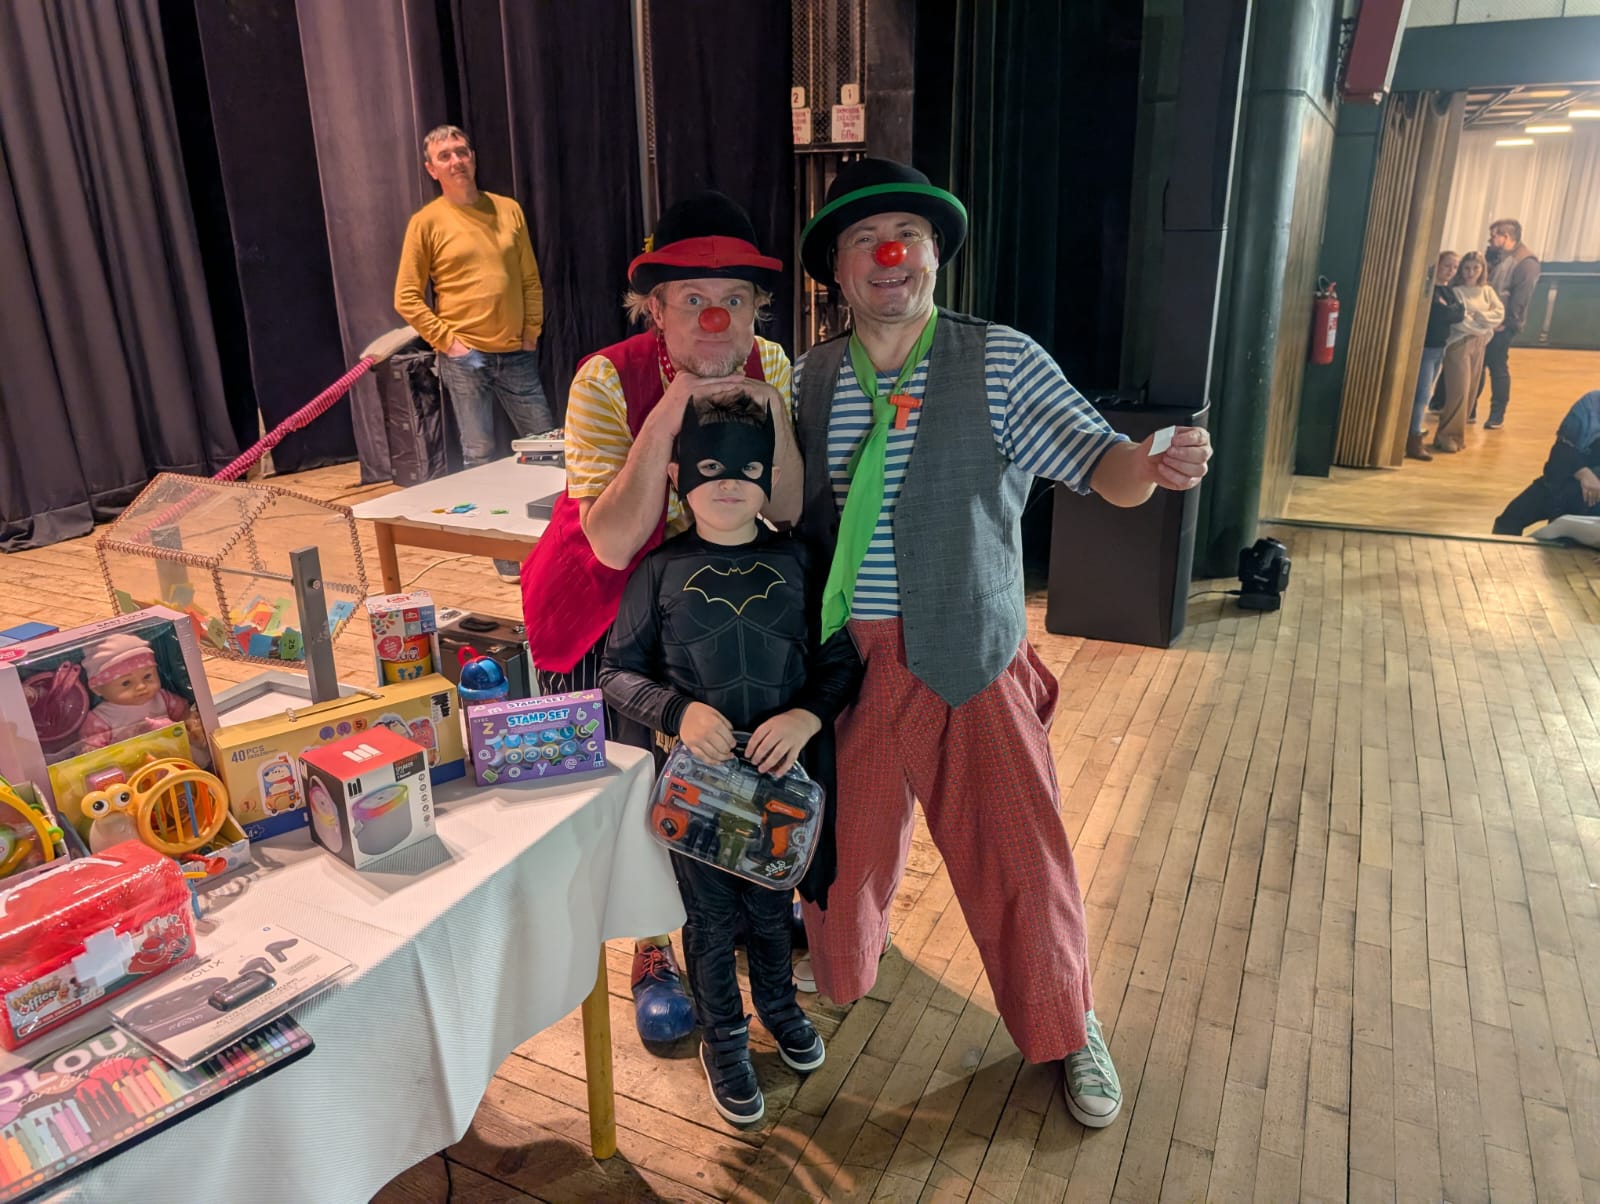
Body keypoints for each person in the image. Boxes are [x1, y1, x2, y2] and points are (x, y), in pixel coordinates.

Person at [791, 158, 1212, 1131]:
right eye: (864, 239)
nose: (888, 255)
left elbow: (1105, 470)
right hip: (842, 665)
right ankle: (843, 967)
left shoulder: (1001, 361)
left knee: (1022, 862)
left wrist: (1149, 464)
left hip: (968, 656)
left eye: (907, 235)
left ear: (936, 255)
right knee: (843, 852)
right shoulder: (809, 376)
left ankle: (1068, 1022)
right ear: (838, 271)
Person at [520, 192, 801, 1046]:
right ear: (655, 310)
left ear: (757, 309)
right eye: (692, 300)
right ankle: (652, 947)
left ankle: (736, 904)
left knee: (731, 759)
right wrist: (674, 406)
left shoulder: (771, 364)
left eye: (735, 300)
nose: (716, 320)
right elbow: (610, 543)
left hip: (714, 603)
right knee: (640, 783)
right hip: (612, 608)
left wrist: (767, 408)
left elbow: (784, 507)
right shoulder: (605, 378)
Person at [599, 394, 862, 1125]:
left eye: (747, 471)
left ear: (767, 476)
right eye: (711, 468)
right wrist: (678, 712)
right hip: (699, 791)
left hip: (779, 786)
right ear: (679, 474)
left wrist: (807, 716)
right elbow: (616, 671)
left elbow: (840, 660)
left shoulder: (800, 562)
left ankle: (778, 1006)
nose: (728, 485)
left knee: (773, 910)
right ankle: (724, 1040)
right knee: (710, 923)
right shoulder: (659, 572)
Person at [394, 124, 553, 582]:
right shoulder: (426, 222)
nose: (455, 160)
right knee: (480, 456)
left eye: (461, 151)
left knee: (547, 447)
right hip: (465, 359)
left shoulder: (507, 209)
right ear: (431, 169)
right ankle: (504, 554)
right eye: (444, 156)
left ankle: (553, 542)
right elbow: (406, 296)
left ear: (473, 156)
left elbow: (529, 279)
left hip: (516, 353)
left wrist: (531, 331)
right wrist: (449, 342)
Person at [1493, 389, 1600, 535]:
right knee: (1509, 520)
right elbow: (1560, 450)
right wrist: (1583, 473)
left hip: (1591, 499)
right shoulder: (1591, 403)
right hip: (1561, 480)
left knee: (1567, 534)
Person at [1432, 251, 1503, 455]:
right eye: (1466, 268)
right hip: (1459, 343)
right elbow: (1460, 320)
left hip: (1480, 344)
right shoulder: (1456, 292)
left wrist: (1480, 317)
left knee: (1471, 392)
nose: (1471, 272)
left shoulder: (1487, 291)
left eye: (1475, 268)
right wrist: (1483, 324)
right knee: (1459, 392)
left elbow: (1499, 314)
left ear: (1482, 270)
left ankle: (1456, 435)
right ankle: (1447, 435)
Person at [1476, 219, 1542, 430]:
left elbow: (1522, 296)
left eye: (1494, 236)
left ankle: (1497, 414)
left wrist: (1507, 322)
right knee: (1477, 364)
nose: (1490, 240)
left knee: (1497, 366)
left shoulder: (1526, 262)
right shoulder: (1495, 255)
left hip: (1503, 324)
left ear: (1506, 237)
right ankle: (1469, 408)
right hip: (1486, 319)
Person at [1406, 251, 1462, 462]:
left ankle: (1413, 430)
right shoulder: (1428, 289)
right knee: (1422, 395)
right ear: (1436, 265)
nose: (1451, 270)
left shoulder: (1448, 291)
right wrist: (1448, 311)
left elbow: (1459, 314)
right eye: (1447, 265)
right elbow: (1441, 314)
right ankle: (1413, 439)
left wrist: (1448, 311)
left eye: (1454, 267)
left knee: (1425, 393)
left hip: (1440, 348)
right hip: (1425, 347)